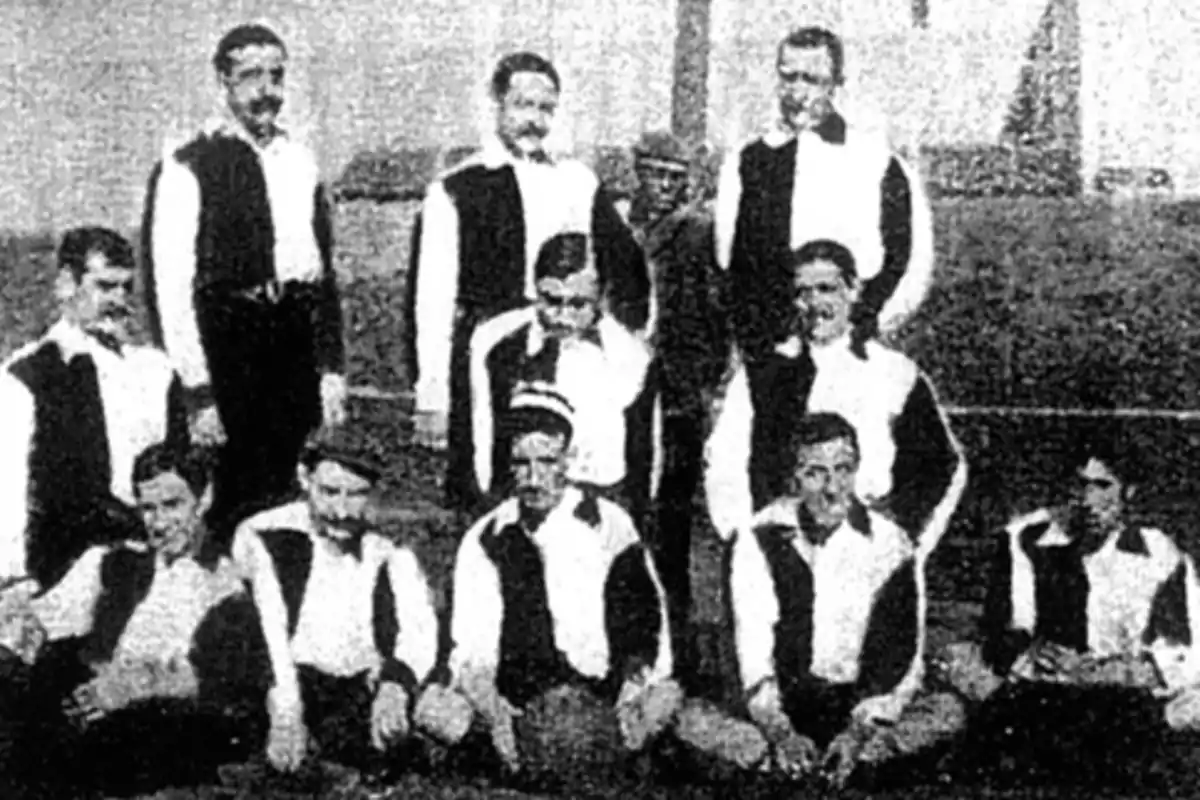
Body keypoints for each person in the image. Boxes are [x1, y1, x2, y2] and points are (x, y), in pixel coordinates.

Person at [407, 50, 650, 510]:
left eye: (545, 109)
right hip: (490, 356)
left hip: (563, 345)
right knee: (491, 482)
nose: (534, 121)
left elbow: (627, 264)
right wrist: (433, 394)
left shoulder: (576, 180)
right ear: (496, 104)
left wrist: (625, 337)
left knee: (567, 477)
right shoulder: (456, 189)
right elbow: (431, 299)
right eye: (522, 105)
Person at [142, 22, 347, 546]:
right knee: (232, 497)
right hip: (230, 349)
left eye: (276, 76)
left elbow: (322, 276)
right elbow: (171, 287)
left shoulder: (299, 161)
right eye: (251, 76)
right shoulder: (189, 164)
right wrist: (198, 391)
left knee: (295, 495)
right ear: (223, 82)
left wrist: (330, 368)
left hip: (293, 347)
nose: (266, 90)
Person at [681, 413, 963, 790]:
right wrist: (782, 733)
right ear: (793, 477)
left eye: (843, 469)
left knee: (946, 713)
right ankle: (801, 764)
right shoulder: (757, 538)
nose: (833, 488)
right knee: (691, 719)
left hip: (858, 708)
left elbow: (903, 662)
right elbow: (753, 658)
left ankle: (834, 763)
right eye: (815, 473)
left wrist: (856, 733)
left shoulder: (891, 544)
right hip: (781, 707)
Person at [441, 387, 680, 783]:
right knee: (440, 712)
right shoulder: (487, 536)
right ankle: (525, 757)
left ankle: (601, 756)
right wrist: (498, 714)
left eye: (546, 462)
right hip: (522, 700)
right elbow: (472, 650)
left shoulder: (608, 523)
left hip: (600, 695)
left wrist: (629, 696)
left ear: (567, 460)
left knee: (666, 697)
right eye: (522, 464)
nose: (534, 479)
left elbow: (647, 627)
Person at [940, 431, 1200, 786]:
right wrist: (1037, 654)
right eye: (1080, 486)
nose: (1088, 500)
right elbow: (1008, 630)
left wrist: (1107, 672)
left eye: (1102, 486)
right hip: (1048, 690)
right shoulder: (1027, 538)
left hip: (1124, 691)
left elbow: (1184, 654)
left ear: (1128, 492)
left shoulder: (1158, 553)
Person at [13, 443, 266, 796]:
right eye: (148, 509)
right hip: (87, 706)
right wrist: (27, 629)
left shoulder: (228, 586)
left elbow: (209, 684)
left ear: (204, 498)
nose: (159, 523)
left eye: (172, 505)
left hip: (163, 728)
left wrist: (129, 689)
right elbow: (44, 617)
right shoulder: (115, 561)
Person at [704, 239, 966, 552]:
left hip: (866, 548)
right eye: (803, 292)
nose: (815, 303)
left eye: (826, 288)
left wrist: (908, 546)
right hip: (781, 546)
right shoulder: (760, 375)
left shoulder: (894, 373)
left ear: (853, 290)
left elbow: (942, 468)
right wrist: (742, 541)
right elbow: (725, 462)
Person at [231, 426, 455, 777]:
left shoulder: (386, 546)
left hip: (362, 685)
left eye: (356, 495)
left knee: (430, 721)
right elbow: (269, 629)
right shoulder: (268, 536)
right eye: (329, 492)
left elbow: (418, 627)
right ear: (305, 478)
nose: (340, 511)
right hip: (287, 682)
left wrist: (395, 685)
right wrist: (287, 713)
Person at [713, 25, 934, 363]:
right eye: (789, 78)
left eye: (812, 80)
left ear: (836, 83)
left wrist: (866, 332)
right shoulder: (746, 163)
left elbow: (912, 262)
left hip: (854, 353)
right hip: (769, 355)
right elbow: (727, 263)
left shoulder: (877, 162)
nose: (798, 92)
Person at [0, 227, 188, 598]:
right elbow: (8, 493)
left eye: (126, 287)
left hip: (158, 561)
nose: (119, 300)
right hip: (65, 571)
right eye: (105, 286)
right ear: (66, 285)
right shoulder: (26, 376)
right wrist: (12, 582)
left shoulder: (157, 370)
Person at [628, 130, 731, 692]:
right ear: (638, 174)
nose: (664, 186)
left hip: (677, 397)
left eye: (675, 177)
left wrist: (699, 386)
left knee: (670, 528)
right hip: (628, 392)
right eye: (654, 174)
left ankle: (681, 653)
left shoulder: (696, 233)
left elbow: (715, 318)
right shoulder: (623, 229)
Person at [468, 232, 657, 523]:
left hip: (596, 499)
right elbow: (483, 430)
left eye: (578, 304)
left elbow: (642, 457)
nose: (562, 317)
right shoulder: (498, 342)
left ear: (601, 298)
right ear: (536, 290)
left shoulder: (629, 357)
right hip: (520, 496)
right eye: (551, 301)